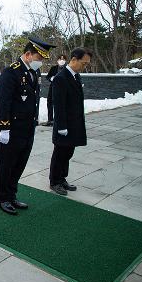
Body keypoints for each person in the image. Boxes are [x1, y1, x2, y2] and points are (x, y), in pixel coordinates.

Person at [0, 37, 56, 215]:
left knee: (20, 163)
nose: (41, 62)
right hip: (13, 128)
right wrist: (4, 127)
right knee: (7, 164)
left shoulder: (34, 73)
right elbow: (4, 102)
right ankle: (2, 198)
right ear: (28, 54)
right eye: (39, 57)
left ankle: (12, 195)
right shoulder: (11, 72)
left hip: (28, 127)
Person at [49, 48, 91, 195]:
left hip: (74, 124)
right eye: (83, 63)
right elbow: (58, 104)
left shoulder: (75, 76)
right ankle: (54, 181)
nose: (84, 67)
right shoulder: (61, 78)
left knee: (68, 153)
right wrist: (61, 126)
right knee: (60, 153)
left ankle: (62, 178)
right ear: (73, 59)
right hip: (64, 125)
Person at [41, 54, 67, 126]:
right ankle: (50, 120)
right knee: (50, 103)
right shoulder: (54, 68)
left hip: (62, 89)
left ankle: (59, 120)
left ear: (65, 60)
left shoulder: (67, 69)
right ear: (57, 60)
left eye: (63, 59)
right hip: (52, 88)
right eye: (60, 59)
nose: (61, 61)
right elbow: (48, 76)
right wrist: (51, 78)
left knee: (60, 104)